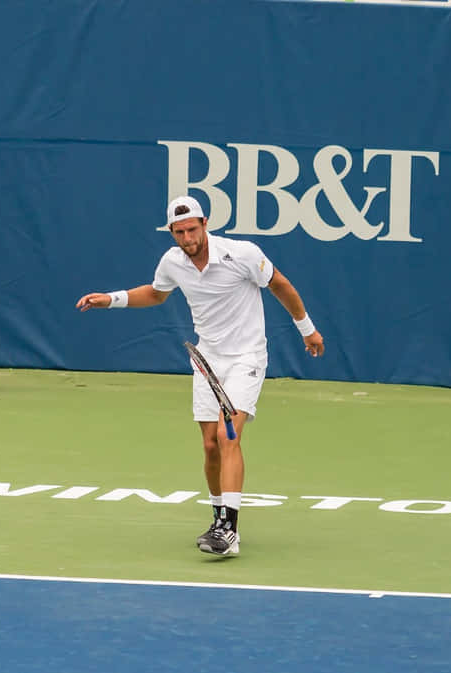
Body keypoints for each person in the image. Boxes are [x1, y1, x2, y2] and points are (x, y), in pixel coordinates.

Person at [76, 196, 324, 556]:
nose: (187, 238)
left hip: (246, 357)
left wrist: (307, 329)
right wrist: (111, 299)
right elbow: (156, 294)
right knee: (210, 446)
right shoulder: (173, 262)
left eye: (192, 229)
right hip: (207, 362)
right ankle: (218, 517)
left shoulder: (241, 253)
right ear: (172, 232)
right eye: (180, 232)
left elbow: (280, 285)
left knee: (229, 438)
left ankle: (230, 530)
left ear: (205, 223)